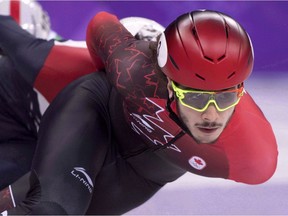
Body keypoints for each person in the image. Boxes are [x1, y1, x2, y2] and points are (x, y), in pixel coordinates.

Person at [0, 9, 278, 215]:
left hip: (136, 173)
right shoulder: (134, 71)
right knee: (50, 210)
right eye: (194, 97)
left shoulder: (255, 157)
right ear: (167, 83)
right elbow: (98, 24)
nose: (211, 115)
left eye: (227, 97)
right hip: (96, 113)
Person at [0, 0, 164, 192]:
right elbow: (10, 34)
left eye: (154, 80)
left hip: (32, 141)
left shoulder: (154, 118)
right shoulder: (62, 62)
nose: (139, 84)